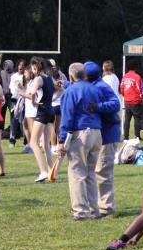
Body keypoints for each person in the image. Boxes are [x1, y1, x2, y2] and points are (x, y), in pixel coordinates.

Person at [57, 62, 103, 220]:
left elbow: (67, 116)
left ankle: (81, 211)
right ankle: (94, 210)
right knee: (90, 173)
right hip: (96, 132)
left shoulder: (71, 91)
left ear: (71, 77)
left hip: (81, 133)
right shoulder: (95, 89)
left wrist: (62, 139)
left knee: (77, 173)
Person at [90, 62, 122, 215]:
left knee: (102, 171)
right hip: (100, 134)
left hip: (108, 134)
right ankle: (97, 204)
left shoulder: (101, 86)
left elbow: (115, 104)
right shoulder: (95, 85)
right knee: (97, 170)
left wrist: (97, 107)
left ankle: (106, 206)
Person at [25, 57, 55, 181]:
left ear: (36, 68)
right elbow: (58, 90)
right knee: (46, 145)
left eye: (33, 68)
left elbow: (32, 93)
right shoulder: (49, 78)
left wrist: (32, 102)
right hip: (50, 111)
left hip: (42, 112)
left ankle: (43, 171)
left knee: (33, 142)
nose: (32, 71)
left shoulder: (38, 79)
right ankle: (52, 172)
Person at [120, 58, 143, 140]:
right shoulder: (137, 77)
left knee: (127, 119)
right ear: (135, 67)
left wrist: (125, 96)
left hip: (127, 101)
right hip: (135, 101)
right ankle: (137, 136)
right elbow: (140, 90)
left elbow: (122, 89)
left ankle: (126, 137)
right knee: (137, 119)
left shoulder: (125, 77)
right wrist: (141, 100)